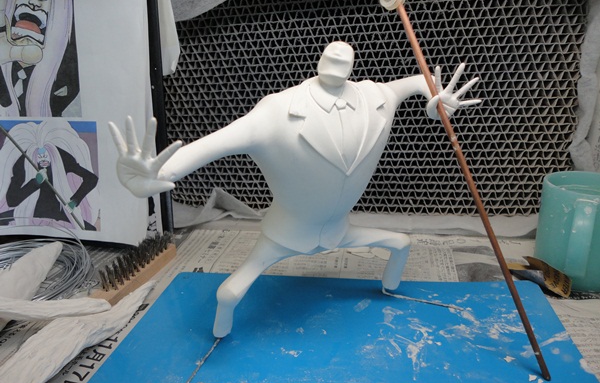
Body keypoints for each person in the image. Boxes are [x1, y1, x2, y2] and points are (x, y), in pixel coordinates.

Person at [110, 41, 480, 337]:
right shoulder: (275, 113)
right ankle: (221, 327)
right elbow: (210, 145)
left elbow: (416, 82)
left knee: (401, 243)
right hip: (285, 233)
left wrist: (436, 99)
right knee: (231, 293)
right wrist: (157, 175)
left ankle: (390, 285)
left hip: (339, 229)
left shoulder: (375, 98)